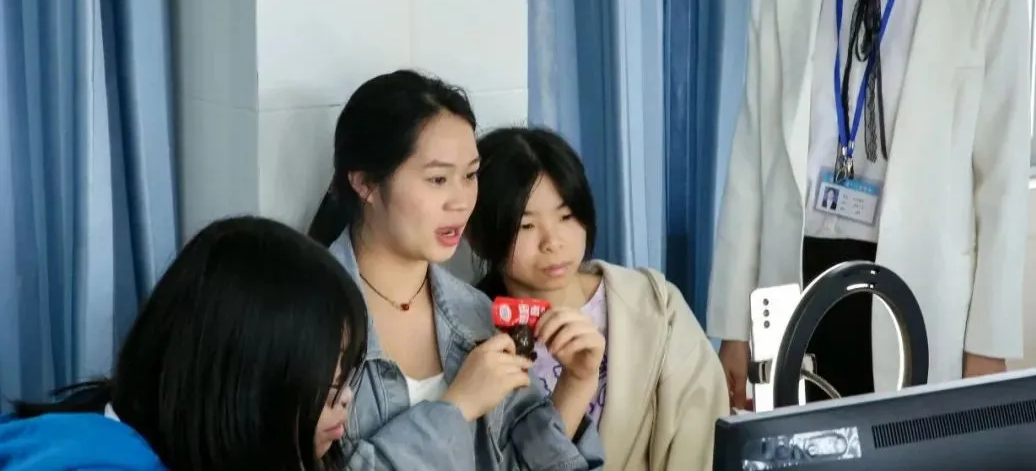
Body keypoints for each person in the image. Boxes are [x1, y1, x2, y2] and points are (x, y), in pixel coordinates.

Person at [708, 0, 1028, 410]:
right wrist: (733, 327)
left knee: (911, 443)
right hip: (797, 274)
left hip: (921, 282)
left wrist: (990, 340)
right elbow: (749, 169)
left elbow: (1000, 186)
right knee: (796, 440)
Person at [310, 70, 604, 470]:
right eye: (437, 179)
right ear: (366, 184)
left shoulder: (476, 314)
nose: (461, 201)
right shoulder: (307, 317)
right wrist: (458, 406)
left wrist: (578, 382)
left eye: (470, 175)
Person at [0, 216, 368, 471]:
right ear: (246, 380)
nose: (346, 396)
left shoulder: (114, 425)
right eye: (331, 378)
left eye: (347, 372)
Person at [468, 126, 730, 471]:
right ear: (478, 236)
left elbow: (703, 438)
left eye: (566, 216)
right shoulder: (469, 335)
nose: (553, 242)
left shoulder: (655, 306)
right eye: (526, 226)